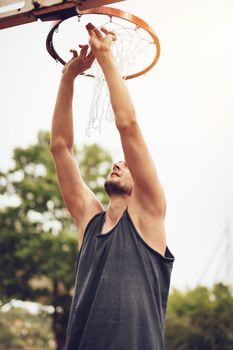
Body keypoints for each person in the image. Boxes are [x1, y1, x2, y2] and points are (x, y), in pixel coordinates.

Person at [50, 22, 174, 350]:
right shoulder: (89, 223)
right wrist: (68, 77)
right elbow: (60, 147)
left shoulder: (148, 212)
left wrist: (106, 57)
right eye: (117, 161)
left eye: (127, 163)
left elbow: (128, 124)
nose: (119, 163)